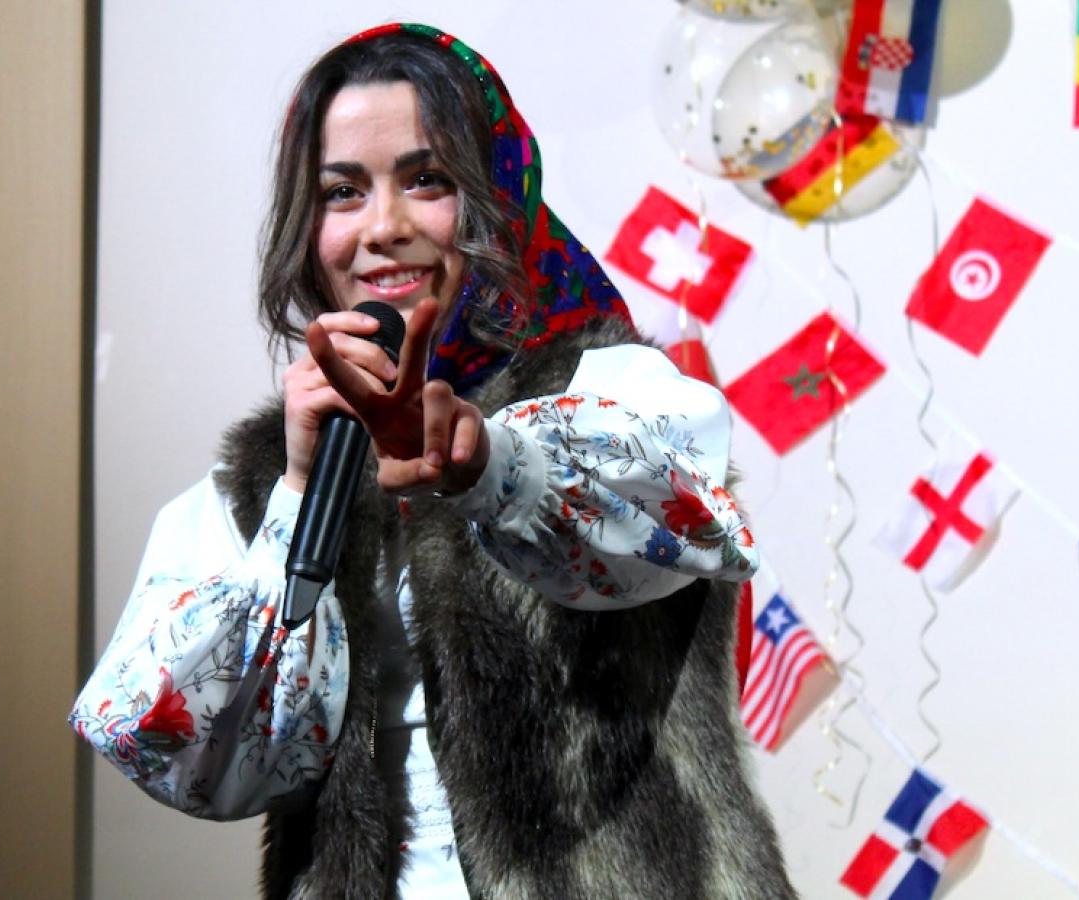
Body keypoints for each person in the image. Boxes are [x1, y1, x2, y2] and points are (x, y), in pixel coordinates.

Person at [73, 23, 796, 899]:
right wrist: (300, 497)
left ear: (496, 198)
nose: (385, 227)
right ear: (309, 229)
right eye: (343, 192)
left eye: (428, 180)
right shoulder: (258, 479)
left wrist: (486, 461)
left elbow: (676, 519)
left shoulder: (617, 387)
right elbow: (177, 752)